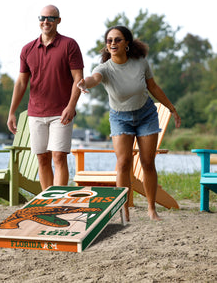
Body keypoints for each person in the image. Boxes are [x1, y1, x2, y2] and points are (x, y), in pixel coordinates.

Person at [77, 26, 181, 221]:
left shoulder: (140, 63)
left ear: (126, 43)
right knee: (123, 163)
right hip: (120, 118)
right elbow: (94, 79)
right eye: (109, 41)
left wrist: (171, 108)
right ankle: (123, 210)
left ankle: (151, 209)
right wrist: (84, 83)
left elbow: (153, 87)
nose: (113, 43)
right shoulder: (104, 68)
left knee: (147, 162)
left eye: (117, 40)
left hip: (146, 115)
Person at [7, 5, 84, 191]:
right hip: (36, 113)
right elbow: (21, 83)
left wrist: (71, 106)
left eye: (51, 18)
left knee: (58, 156)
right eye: (42, 17)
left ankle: (58, 201)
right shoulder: (28, 49)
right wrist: (11, 113)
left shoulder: (69, 45)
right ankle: (47, 202)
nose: (46, 21)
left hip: (61, 112)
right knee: (42, 158)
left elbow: (78, 79)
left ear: (58, 20)